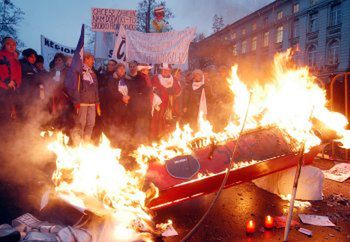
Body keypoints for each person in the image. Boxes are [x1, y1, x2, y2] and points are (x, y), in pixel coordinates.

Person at [71, 52, 100, 143]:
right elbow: (74, 87)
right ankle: (77, 144)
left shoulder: (92, 72)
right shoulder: (79, 71)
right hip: (82, 102)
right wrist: (76, 101)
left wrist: (97, 102)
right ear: (86, 59)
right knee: (81, 124)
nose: (93, 61)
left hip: (92, 102)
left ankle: (86, 144)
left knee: (91, 123)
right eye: (91, 59)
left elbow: (96, 89)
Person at [151, 63, 181, 139]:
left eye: (167, 70)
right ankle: (157, 137)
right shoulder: (156, 78)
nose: (165, 72)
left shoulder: (173, 79)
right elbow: (153, 89)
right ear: (161, 70)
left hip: (171, 103)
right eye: (164, 70)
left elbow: (178, 90)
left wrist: (172, 91)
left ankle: (169, 138)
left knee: (170, 120)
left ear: (170, 71)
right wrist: (164, 91)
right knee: (158, 120)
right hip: (159, 104)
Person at [128, 63, 153, 143]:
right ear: (142, 70)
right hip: (140, 106)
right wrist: (150, 90)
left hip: (145, 104)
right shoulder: (138, 78)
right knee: (140, 124)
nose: (148, 71)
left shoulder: (145, 78)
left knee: (144, 124)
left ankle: (143, 141)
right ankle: (138, 142)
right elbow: (140, 91)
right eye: (146, 69)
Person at [0, 37, 21, 122]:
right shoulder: (1, 55)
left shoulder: (16, 60)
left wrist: (15, 83)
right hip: (2, 89)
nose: (12, 46)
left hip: (12, 91)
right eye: (9, 44)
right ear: (4, 45)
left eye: (14, 44)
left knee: (12, 115)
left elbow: (18, 75)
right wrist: (6, 82)